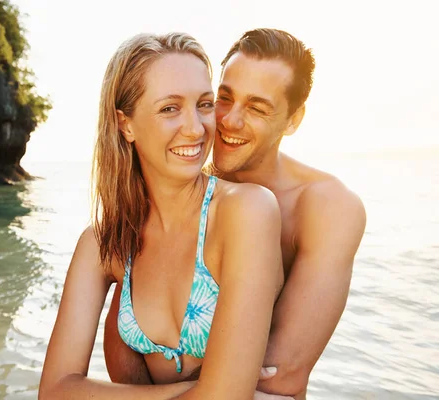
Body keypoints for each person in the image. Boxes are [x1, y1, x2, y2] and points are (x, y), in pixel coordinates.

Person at [103, 28, 367, 400]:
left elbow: (280, 376)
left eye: (257, 108)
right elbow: (125, 354)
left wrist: (214, 384)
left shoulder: (327, 207)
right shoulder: (177, 189)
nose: (229, 121)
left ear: (293, 120)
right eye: (223, 99)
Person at [38, 32, 289, 400]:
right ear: (126, 124)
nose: (196, 127)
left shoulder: (246, 211)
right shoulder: (102, 244)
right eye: (170, 108)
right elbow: (54, 390)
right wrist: (193, 389)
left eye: (204, 104)